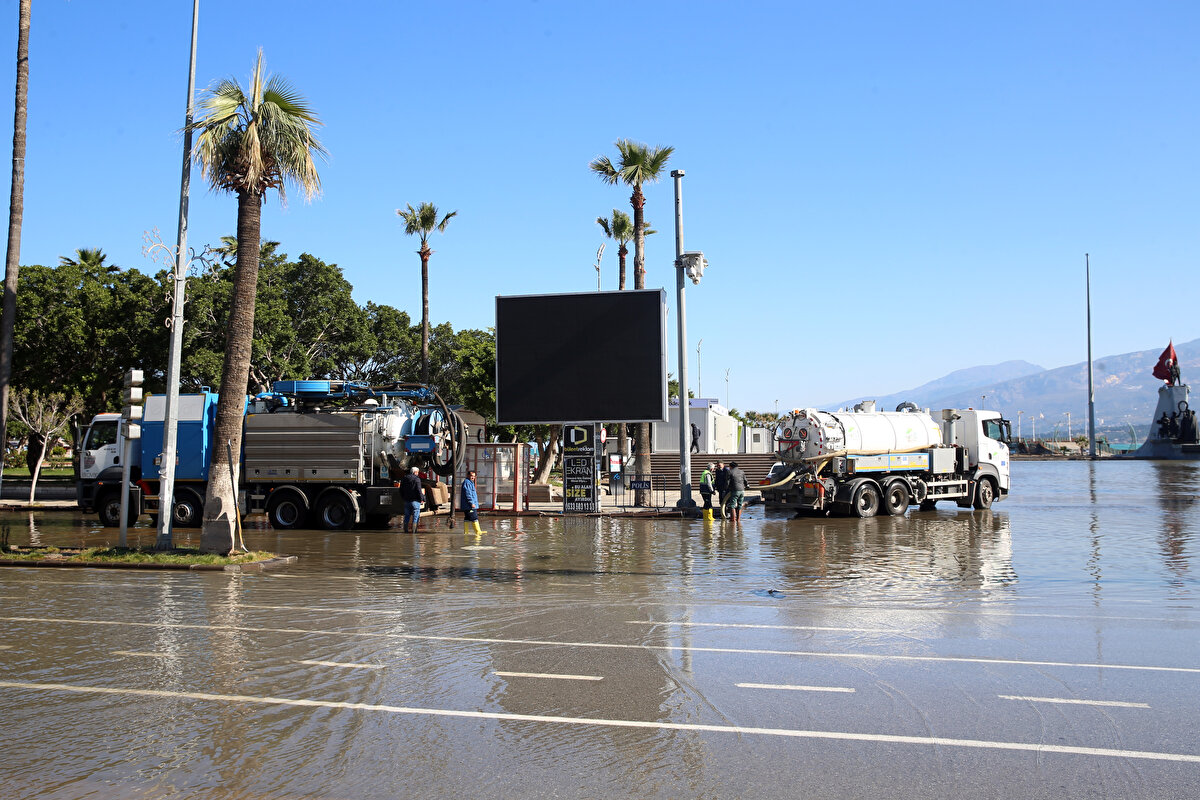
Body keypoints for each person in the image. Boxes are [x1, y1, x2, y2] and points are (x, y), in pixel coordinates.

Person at [461, 469, 486, 535]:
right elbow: (468, 493)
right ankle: (478, 531)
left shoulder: (469, 482)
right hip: (469, 505)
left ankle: (466, 532)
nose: (473, 477)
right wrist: (471, 503)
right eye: (471, 476)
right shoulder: (467, 482)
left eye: (474, 476)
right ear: (468, 475)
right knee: (474, 517)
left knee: (467, 518)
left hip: (467, 505)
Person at [399, 466, 424, 533]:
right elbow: (419, 490)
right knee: (415, 517)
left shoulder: (404, 478)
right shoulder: (417, 479)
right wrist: (422, 499)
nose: (418, 474)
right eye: (417, 472)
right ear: (415, 472)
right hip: (415, 501)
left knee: (407, 516)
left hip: (407, 501)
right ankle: (414, 531)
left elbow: (401, 489)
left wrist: (403, 497)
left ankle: (405, 530)